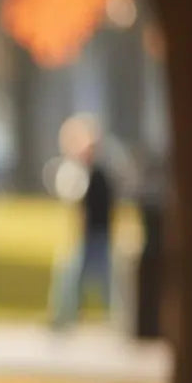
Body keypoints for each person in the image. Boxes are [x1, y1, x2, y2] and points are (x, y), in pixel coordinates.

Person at [49, 119, 116, 329]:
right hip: (86, 235)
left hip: (99, 234)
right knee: (72, 276)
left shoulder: (99, 175)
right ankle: (65, 317)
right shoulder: (82, 174)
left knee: (105, 280)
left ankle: (117, 317)